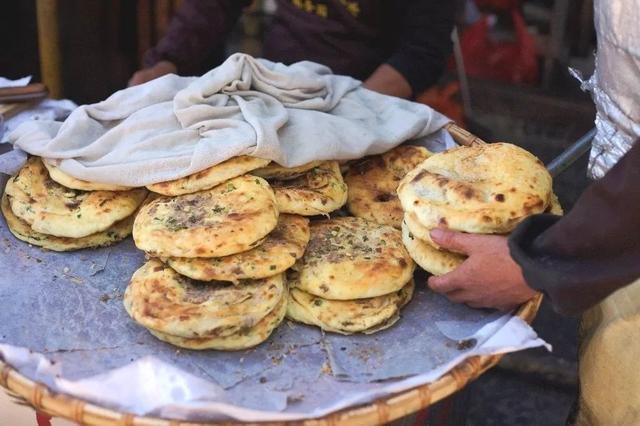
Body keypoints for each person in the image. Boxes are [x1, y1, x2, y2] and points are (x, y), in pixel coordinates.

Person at [128, 0, 456, 99]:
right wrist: (166, 62)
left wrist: (355, 109)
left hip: (367, 94)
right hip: (275, 85)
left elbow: (422, 51)